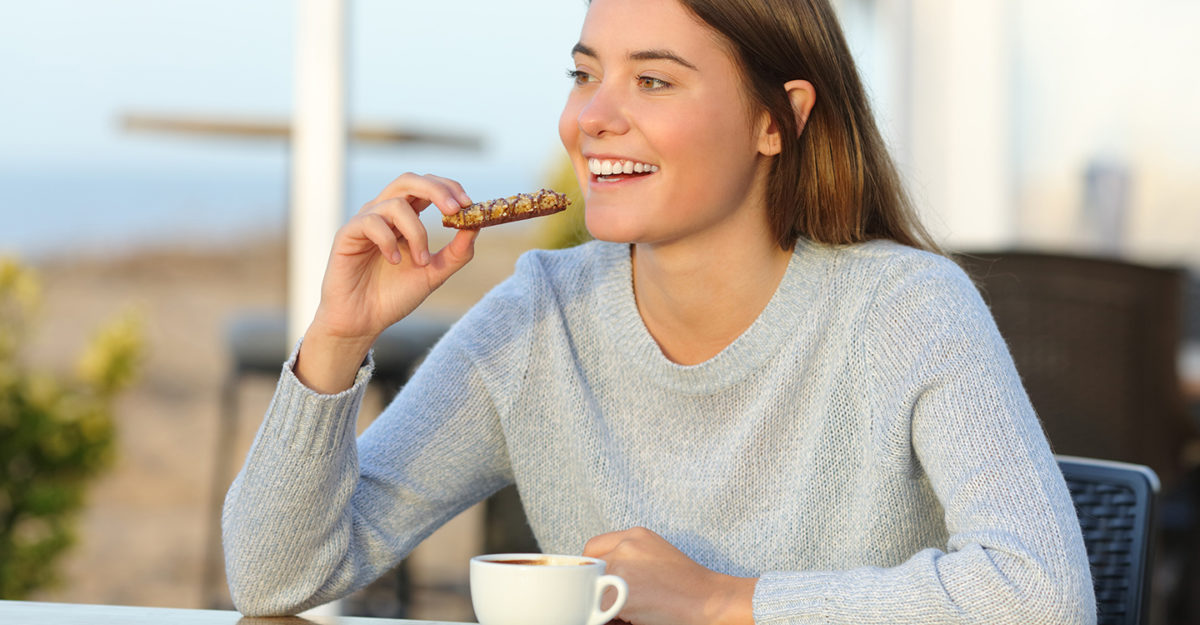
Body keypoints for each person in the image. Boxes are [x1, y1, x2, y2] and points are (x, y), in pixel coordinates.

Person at [222, 0, 1096, 623]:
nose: (593, 118)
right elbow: (276, 575)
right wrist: (338, 339)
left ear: (777, 120)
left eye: (653, 81)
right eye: (585, 74)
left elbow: (1041, 594)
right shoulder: (540, 320)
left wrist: (721, 600)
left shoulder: (906, 309)